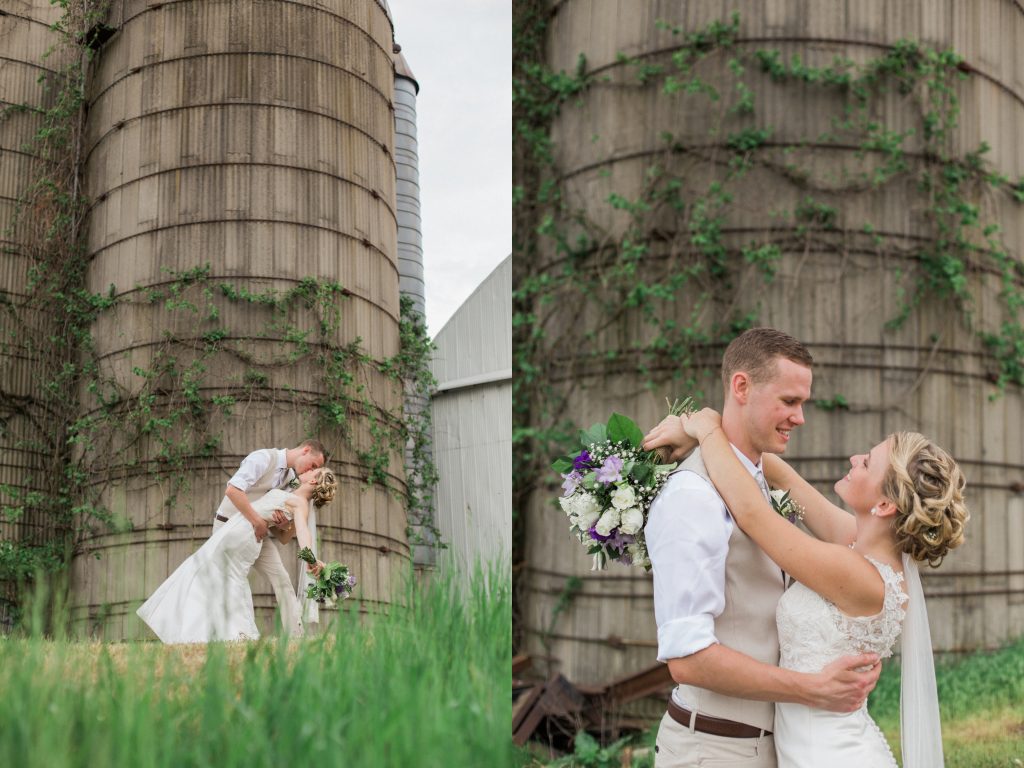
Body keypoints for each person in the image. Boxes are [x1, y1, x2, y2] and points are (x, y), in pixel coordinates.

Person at [639, 328, 883, 768]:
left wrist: (705, 430)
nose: (800, 417)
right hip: (715, 749)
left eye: (802, 403)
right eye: (789, 401)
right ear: (741, 386)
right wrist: (812, 688)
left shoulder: (755, 484)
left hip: (775, 745)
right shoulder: (693, 496)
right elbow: (688, 660)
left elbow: (755, 507)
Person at [137, 467, 338, 643]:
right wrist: (281, 522)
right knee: (218, 577)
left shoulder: (301, 503)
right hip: (238, 528)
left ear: (312, 480)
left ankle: (236, 632)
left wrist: (310, 558)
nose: (308, 471)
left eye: (313, 470)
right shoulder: (293, 494)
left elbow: (303, 531)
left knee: (229, 579)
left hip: (245, 534)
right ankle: (221, 631)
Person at [214, 440, 326, 635]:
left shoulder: (291, 479)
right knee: (236, 582)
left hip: (258, 535)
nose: (311, 470)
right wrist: (257, 521)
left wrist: (282, 524)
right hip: (230, 528)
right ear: (306, 450)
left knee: (282, 579)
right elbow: (232, 491)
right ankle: (240, 635)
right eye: (314, 465)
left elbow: (283, 536)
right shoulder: (263, 458)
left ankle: (296, 636)